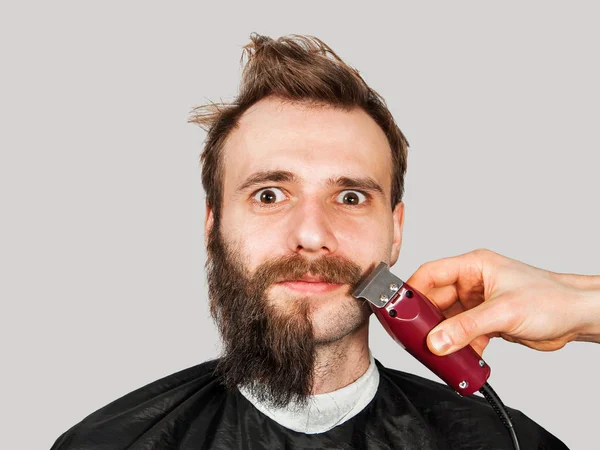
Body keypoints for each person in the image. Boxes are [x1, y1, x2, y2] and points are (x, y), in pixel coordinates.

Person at [50, 33, 598, 450]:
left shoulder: (508, 443)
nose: (312, 235)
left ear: (395, 230)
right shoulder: (109, 444)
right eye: (269, 195)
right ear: (213, 225)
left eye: (352, 198)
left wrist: (585, 308)